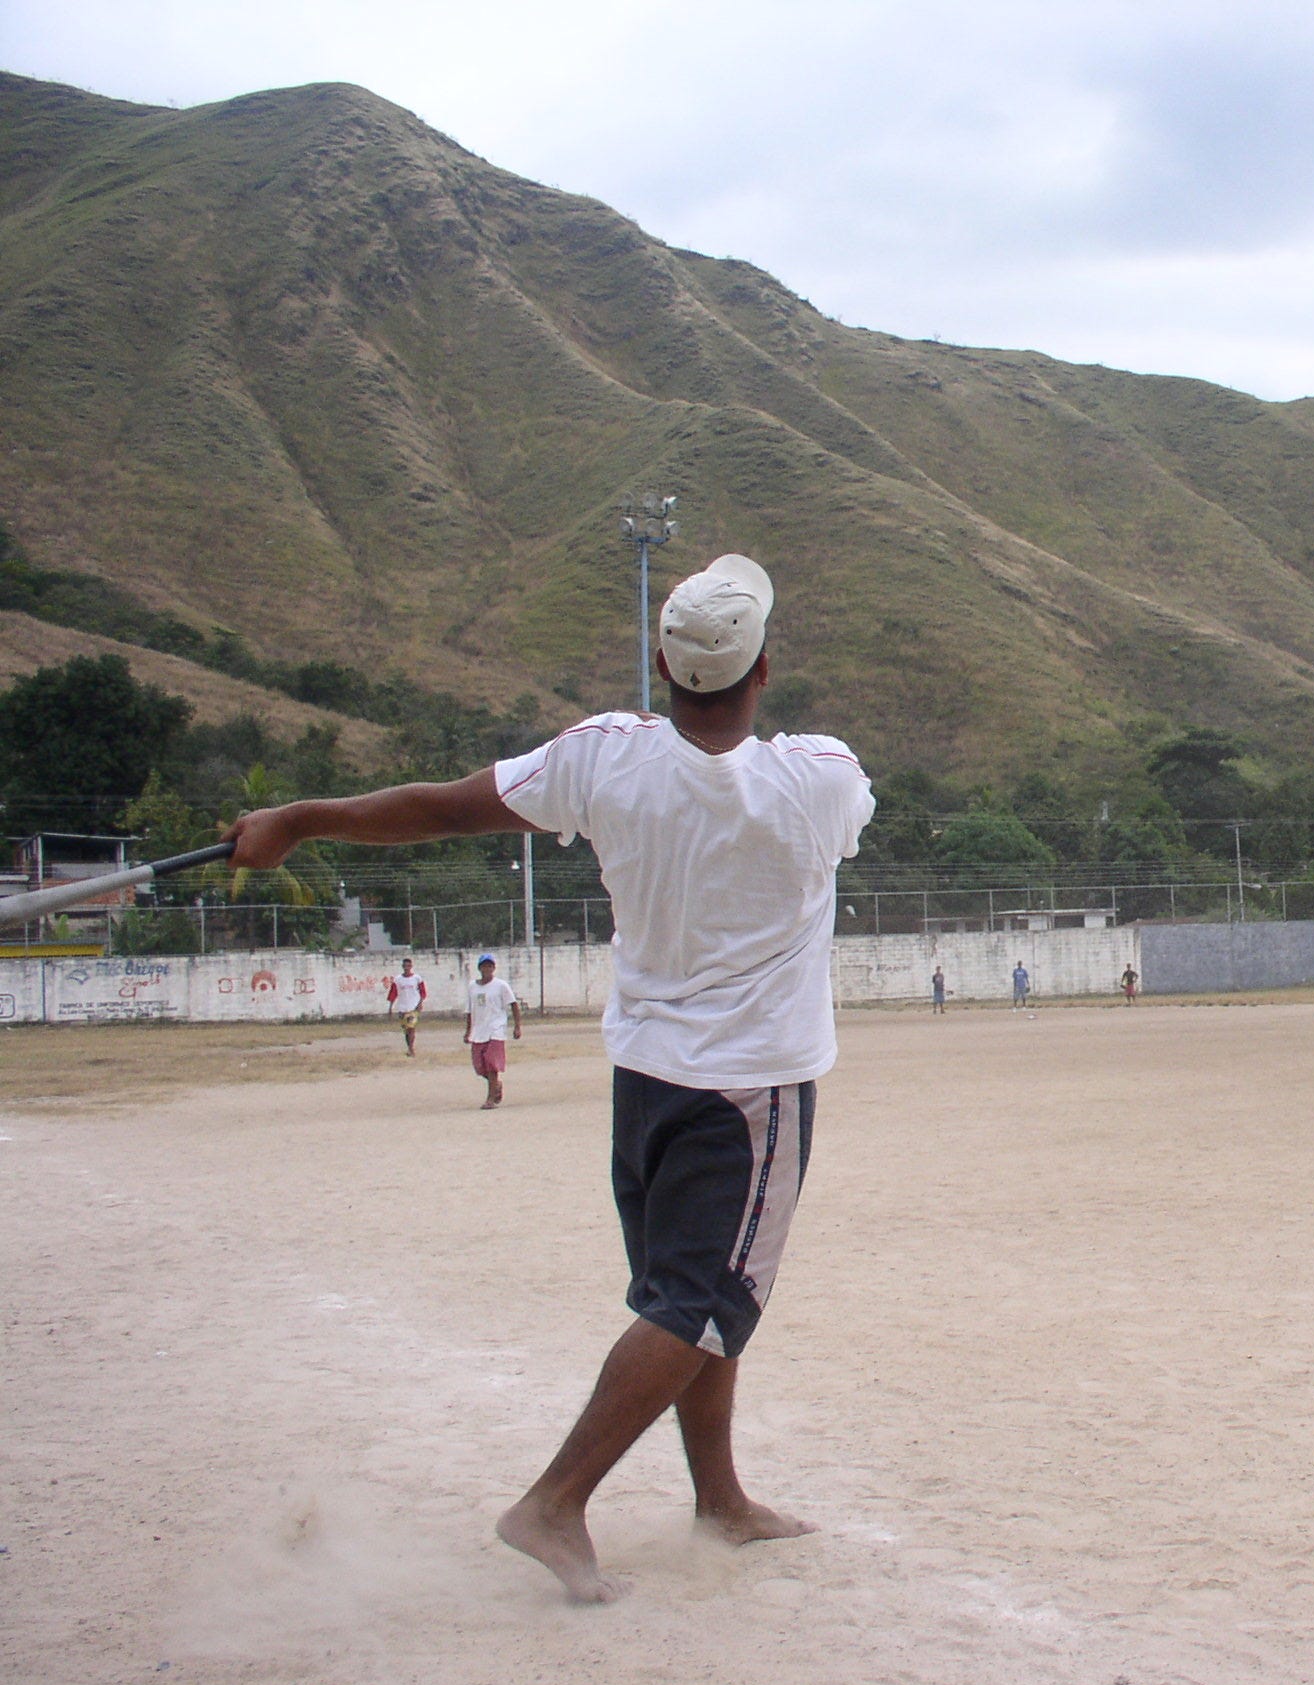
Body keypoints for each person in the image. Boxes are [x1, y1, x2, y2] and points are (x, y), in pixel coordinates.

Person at [225, 551, 874, 1603]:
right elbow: (806, 806)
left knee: (688, 1303)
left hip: (646, 1086)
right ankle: (555, 1499)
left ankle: (719, 1496)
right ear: (762, 672)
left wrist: (297, 819)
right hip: (749, 1093)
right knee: (699, 1302)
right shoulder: (822, 776)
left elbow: (436, 807)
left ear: (664, 664)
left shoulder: (601, 758)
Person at [464, 955, 522, 1109]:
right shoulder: (472, 987)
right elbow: (469, 1010)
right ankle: (496, 1084)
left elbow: (513, 1005)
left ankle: (490, 1099)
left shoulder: (501, 985)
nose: (487, 969)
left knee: (491, 1064)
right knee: (479, 1066)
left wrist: (517, 1026)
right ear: (479, 968)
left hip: (496, 1029)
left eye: (490, 966)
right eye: (484, 966)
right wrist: (467, 1031)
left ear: (494, 968)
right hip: (478, 1030)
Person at [386, 956, 427, 1057]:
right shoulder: (398, 980)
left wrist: (420, 1003)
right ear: (402, 966)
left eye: (408, 966)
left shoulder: (417, 978)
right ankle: (409, 1047)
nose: (407, 968)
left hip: (413, 1007)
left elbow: (423, 992)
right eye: (405, 966)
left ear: (411, 966)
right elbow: (393, 993)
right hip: (402, 1007)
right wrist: (390, 1007)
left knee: (411, 1028)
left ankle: (411, 1049)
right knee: (406, 1030)